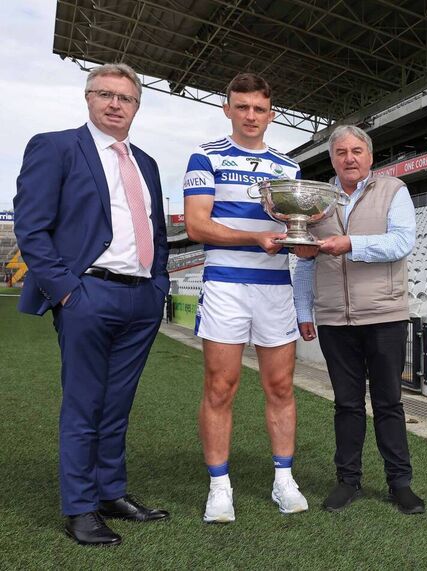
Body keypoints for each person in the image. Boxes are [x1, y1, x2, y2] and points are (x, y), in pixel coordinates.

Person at [14, 63, 170, 546]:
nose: (115, 104)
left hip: (141, 297)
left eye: (126, 97)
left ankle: (110, 492)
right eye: (105, 94)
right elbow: (31, 228)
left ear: (137, 106)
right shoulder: (55, 147)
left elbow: (157, 232)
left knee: (117, 405)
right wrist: (67, 291)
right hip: (88, 293)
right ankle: (80, 508)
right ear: (88, 98)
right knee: (85, 405)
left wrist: (158, 284)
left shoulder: (147, 163)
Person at [183, 73, 307, 523]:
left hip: (275, 288)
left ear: (271, 115)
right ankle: (220, 487)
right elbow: (196, 224)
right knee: (221, 387)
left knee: (280, 386)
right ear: (227, 110)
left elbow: (294, 230)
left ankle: (283, 479)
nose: (250, 115)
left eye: (259, 108)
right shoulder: (205, 156)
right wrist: (254, 238)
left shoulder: (288, 168)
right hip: (226, 285)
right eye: (242, 107)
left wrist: (305, 242)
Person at [292, 125, 425, 514]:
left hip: (384, 315)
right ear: (332, 159)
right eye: (341, 152)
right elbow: (305, 260)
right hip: (335, 319)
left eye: (356, 151)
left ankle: (400, 483)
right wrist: (304, 310)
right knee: (346, 404)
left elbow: (401, 242)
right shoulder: (318, 200)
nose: (349, 158)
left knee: (388, 403)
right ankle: (347, 481)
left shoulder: (393, 190)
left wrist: (351, 244)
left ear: (369, 155)